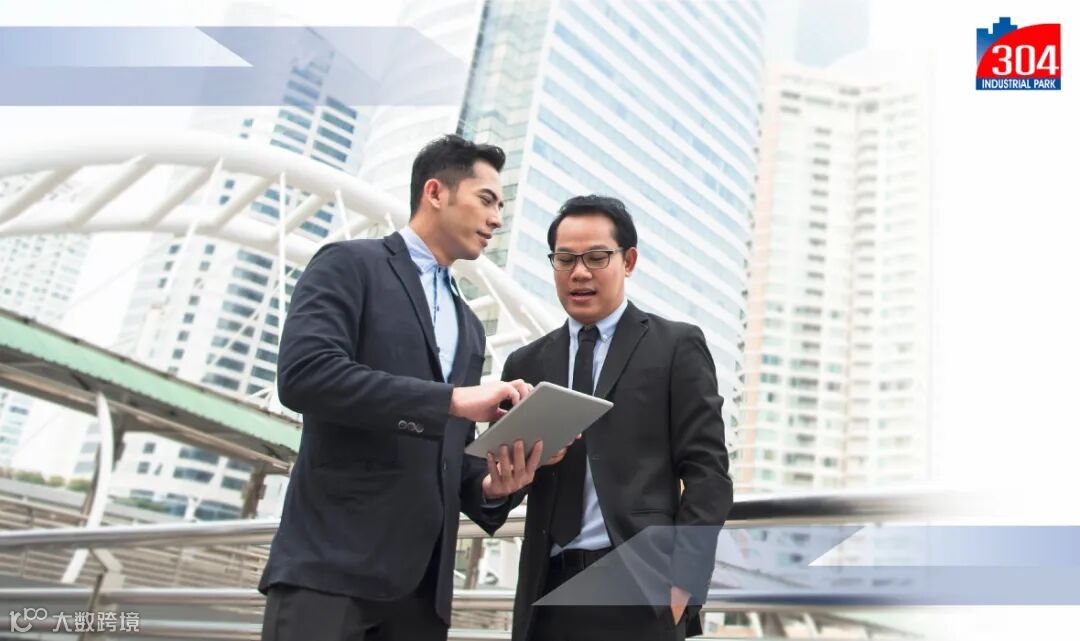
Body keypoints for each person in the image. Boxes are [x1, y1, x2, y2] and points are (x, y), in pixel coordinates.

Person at [259, 135, 549, 641]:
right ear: (435, 192)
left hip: (421, 597)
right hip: (331, 573)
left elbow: (446, 449)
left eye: (501, 207)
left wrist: (491, 485)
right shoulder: (349, 264)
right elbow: (306, 374)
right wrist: (452, 400)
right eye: (486, 200)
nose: (496, 220)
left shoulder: (469, 326)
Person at [500, 195, 733, 641]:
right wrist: (504, 478)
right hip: (545, 595)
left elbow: (708, 474)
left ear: (628, 261)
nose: (579, 272)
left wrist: (683, 584)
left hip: (642, 593)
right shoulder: (524, 364)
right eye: (565, 259)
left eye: (596, 257)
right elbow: (498, 487)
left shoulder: (675, 346)